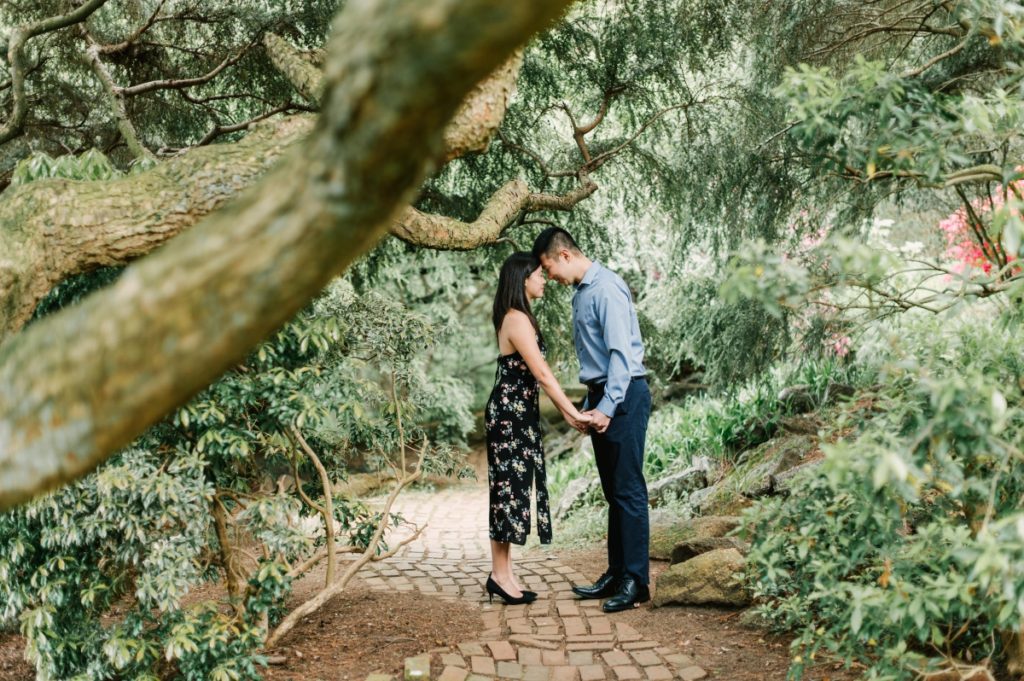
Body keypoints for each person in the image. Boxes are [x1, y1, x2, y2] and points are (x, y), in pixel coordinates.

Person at [532, 228, 652, 613]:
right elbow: (598, 359)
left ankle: (637, 581)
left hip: (625, 395)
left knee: (629, 490)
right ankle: (618, 573)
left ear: (565, 255)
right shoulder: (582, 293)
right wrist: (591, 402)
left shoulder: (607, 288)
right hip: (602, 394)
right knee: (614, 492)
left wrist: (608, 406)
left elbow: (621, 357)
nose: (549, 276)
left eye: (549, 267)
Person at [485, 251, 591, 605]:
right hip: (509, 415)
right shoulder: (516, 319)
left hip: (518, 414)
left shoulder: (519, 316)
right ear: (523, 280)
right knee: (507, 494)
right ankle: (499, 576)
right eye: (538, 274)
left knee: (510, 492)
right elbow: (543, 375)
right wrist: (571, 413)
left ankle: (504, 574)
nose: (543, 278)